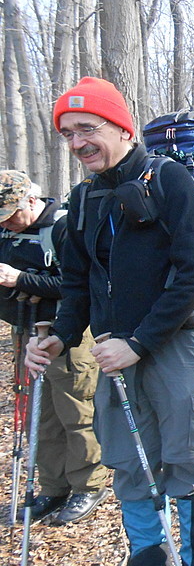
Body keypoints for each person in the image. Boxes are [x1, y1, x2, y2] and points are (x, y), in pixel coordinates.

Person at [25, 76, 194, 566]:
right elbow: (77, 284)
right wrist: (59, 337)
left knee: (186, 461)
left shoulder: (170, 178)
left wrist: (140, 341)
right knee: (130, 465)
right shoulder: (84, 198)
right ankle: (150, 563)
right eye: (67, 133)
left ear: (121, 127)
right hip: (115, 350)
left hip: (178, 343)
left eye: (86, 128)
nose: (76, 143)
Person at [0, 170, 109, 524]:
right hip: (25, 333)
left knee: (76, 411)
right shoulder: (6, 232)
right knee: (40, 416)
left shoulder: (62, 228)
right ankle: (52, 487)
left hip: (68, 334)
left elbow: (79, 283)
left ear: (31, 200)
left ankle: (88, 485)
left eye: (13, 214)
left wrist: (22, 280)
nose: (9, 223)